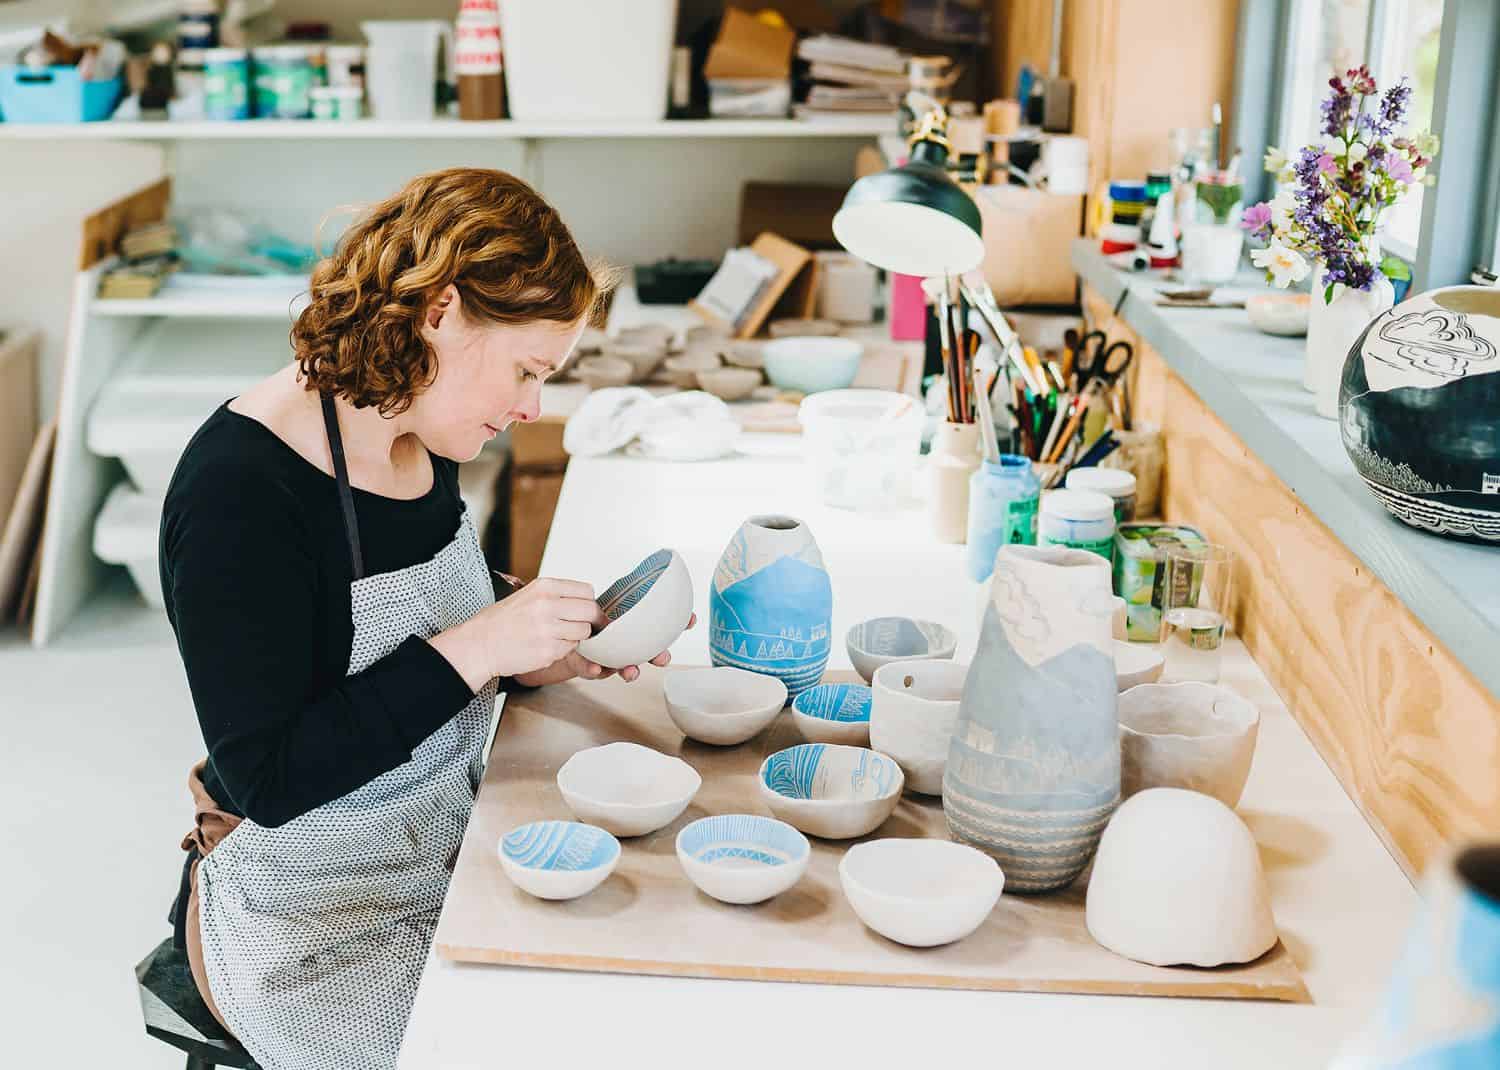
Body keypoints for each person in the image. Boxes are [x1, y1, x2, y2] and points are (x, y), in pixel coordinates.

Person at [159, 168, 682, 1070]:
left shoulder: (416, 423)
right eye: (527, 370)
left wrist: (530, 651)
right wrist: (481, 644)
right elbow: (268, 776)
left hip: (444, 851)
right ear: (441, 314)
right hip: (312, 932)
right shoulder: (242, 491)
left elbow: (428, 626)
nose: (532, 408)